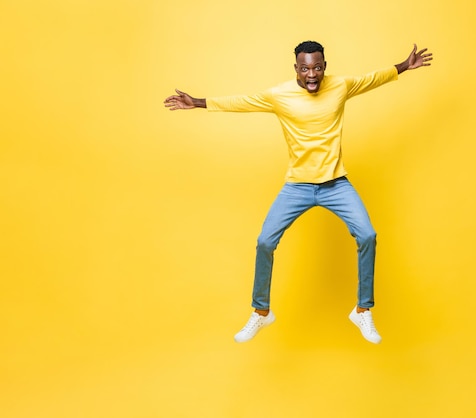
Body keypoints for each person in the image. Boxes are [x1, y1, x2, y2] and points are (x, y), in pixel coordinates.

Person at [164, 40, 433, 344]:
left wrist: (403, 67)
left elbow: (371, 79)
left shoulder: (340, 86)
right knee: (265, 241)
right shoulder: (279, 95)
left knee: (368, 235)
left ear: (324, 67)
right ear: (296, 68)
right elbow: (243, 101)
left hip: (335, 184)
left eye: (317, 67)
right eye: (305, 68)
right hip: (297, 187)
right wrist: (198, 102)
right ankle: (261, 312)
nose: (311, 74)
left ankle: (362, 310)